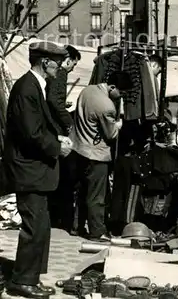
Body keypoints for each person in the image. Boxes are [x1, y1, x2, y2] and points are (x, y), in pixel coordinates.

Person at [3, 41, 71, 298]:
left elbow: (38, 126)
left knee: (41, 225)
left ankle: (31, 277)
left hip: (34, 171)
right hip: (27, 171)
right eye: (58, 63)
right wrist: (57, 147)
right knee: (34, 226)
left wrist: (57, 138)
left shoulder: (36, 86)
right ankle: (22, 281)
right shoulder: (27, 88)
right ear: (45, 63)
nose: (61, 67)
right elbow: (31, 133)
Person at [70, 71, 126, 242]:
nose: (121, 96)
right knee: (96, 196)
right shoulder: (106, 105)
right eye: (121, 92)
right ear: (112, 87)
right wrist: (119, 122)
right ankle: (97, 231)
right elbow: (111, 134)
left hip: (79, 148)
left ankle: (75, 226)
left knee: (81, 192)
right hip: (97, 155)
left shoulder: (87, 90)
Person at [46, 45, 81, 231]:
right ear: (68, 60)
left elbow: (54, 100)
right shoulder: (61, 73)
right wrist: (69, 122)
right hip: (56, 129)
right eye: (73, 65)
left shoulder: (54, 73)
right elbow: (53, 101)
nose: (72, 68)